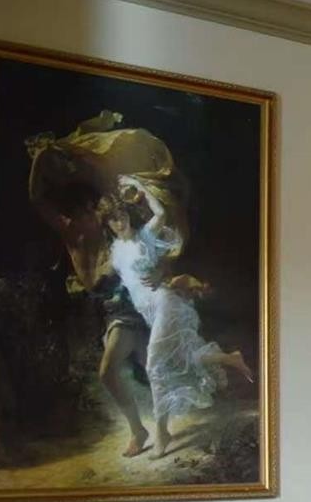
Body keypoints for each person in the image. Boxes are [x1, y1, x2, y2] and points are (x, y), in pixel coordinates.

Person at [101, 176, 252, 458]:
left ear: (128, 216)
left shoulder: (144, 237)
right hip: (148, 311)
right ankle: (230, 358)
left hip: (165, 303)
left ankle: (161, 434)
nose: (119, 223)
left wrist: (138, 185)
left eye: (122, 217)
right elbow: (124, 281)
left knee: (155, 366)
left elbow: (160, 213)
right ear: (108, 225)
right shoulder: (116, 251)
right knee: (178, 359)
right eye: (113, 221)